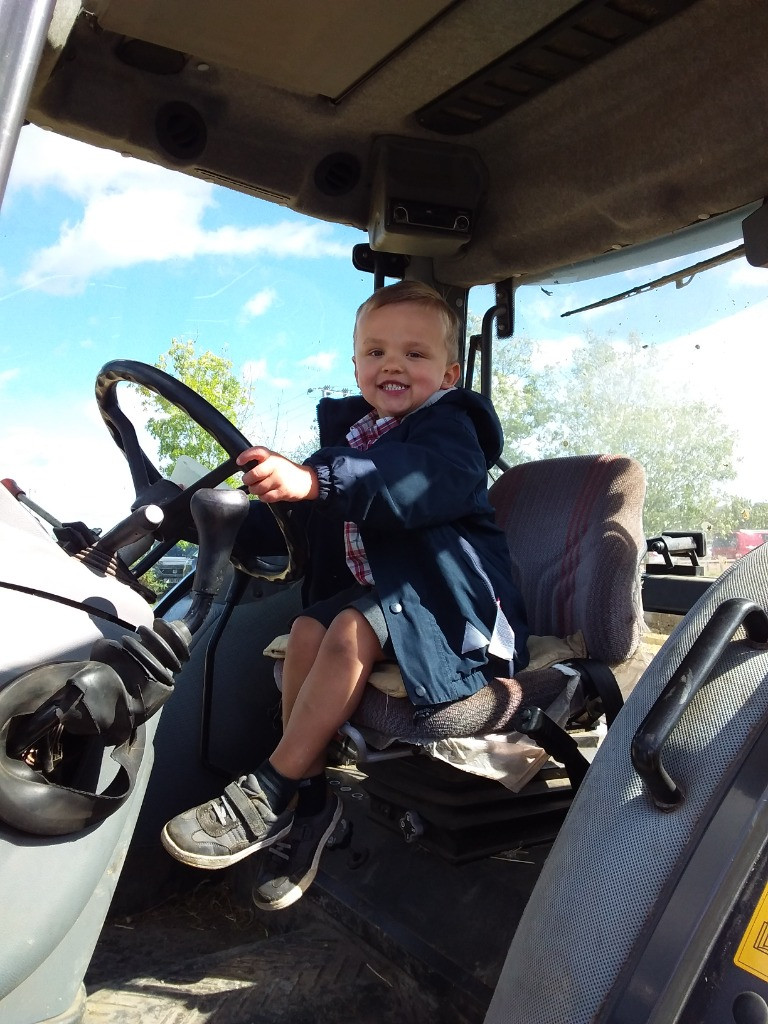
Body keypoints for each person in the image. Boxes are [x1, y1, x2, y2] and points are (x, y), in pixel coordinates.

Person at [161, 280, 529, 910]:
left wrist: (314, 479)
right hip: (387, 597)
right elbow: (295, 525)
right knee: (309, 629)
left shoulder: (451, 433)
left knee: (347, 631)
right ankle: (312, 803)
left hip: (454, 603)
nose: (392, 364)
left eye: (415, 355)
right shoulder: (352, 441)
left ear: (448, 372)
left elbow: (413, 484)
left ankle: (278, 784)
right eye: (376, 352)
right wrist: (197, 517)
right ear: (356, 364)